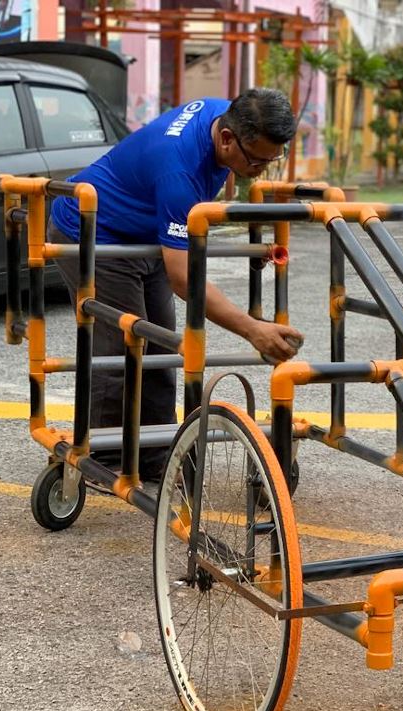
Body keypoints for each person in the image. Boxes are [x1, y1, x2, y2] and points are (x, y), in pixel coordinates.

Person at [48, 88, 303, 484]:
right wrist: (252, 329)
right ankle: (104, 458)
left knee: (163, 350)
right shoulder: (178, 171)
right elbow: (184, 279)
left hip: (145, 235)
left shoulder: (228, 115)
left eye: (272, 160)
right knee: (119, 353)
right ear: (227, 139)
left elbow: (187, 224)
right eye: (256, 160)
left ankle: (156, 455)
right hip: (93, 234)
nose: (260, 169)